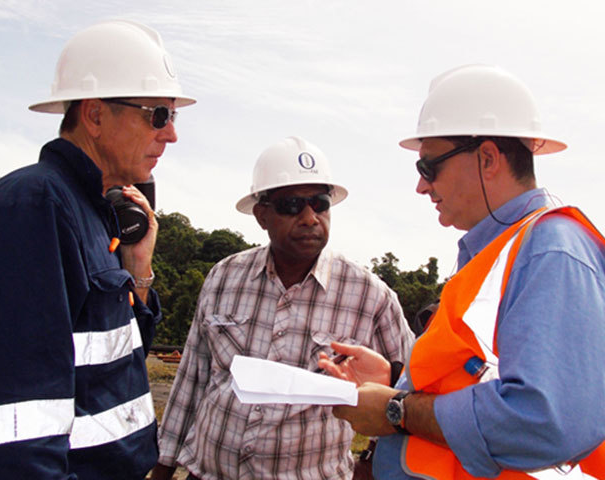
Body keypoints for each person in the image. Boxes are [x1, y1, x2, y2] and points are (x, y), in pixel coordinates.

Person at [319, 64, 605, 479]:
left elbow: (545, 421)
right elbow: (486, 374)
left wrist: (395, 410)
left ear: (488, 158)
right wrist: (396, 379)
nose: (421, 186)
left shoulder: (550, 250)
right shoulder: (503, 251)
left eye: (428, 168)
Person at [0, 20, 195, 479]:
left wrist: (138, 270)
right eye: (158, 115)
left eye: (174, 117)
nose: (170, 135)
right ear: (94, 115)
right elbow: (11, 437)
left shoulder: (98, 212)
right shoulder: (34, 209)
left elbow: (111, 366)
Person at [151, 136, 414, 480]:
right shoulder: (224, 277)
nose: (309, 218)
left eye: (319, 204)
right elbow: (192, 379)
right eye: (292, 205)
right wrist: (163, 467)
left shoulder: (370, 295)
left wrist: (371, 458)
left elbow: (411, 388)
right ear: (262, 215)